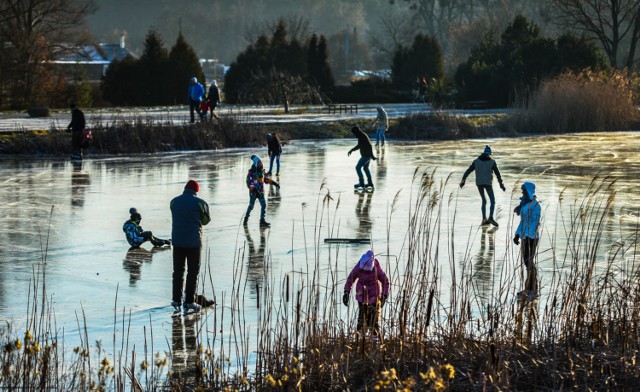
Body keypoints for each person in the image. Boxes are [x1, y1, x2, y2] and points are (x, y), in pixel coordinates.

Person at [170, 180, 211, 314]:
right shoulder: (201, 202)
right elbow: (206, 221)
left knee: (178, 271)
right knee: (193, 272)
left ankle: (176, 300)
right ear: (196, 190)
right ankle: (189, 302)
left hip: (177, 241)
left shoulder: (174, 201)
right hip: (193, 242)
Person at [343, 249, 390, 338]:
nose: (366, 272)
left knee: (373, 320)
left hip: (374, 296)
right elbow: (351, 278)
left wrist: (384, 295)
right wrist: (346, 292)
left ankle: (375, 339)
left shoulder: (377, 268)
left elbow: (385, 281)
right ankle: (360, 338)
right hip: (361, 295)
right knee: (362, 318)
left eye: (368, 270)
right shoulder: (359, 266)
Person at [459, 145, 506, 226]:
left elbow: (468, 171)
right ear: (489, 154)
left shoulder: (476, 161)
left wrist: (463, 181)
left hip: (479, 183)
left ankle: (484, 219)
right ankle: (490, 217)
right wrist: (501, 185)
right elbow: (498, 175)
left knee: (484, 200)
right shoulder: (492, 162)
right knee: (492, 200)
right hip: (488, 183)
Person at [513, 181, 541, 299]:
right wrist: (517, 234)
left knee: (529, 262)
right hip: (525, 236)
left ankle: (533, 289)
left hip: (532, 237)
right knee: (526, 262)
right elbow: (522, 222)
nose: (522, 191)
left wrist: (530, 235)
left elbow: (536, 222)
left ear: (528, 191)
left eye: (524, 190)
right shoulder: (524, 205)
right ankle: (528, 288)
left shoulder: (535, 206)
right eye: (522, 189)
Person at [244, 155, 279, 228]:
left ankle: (262, 221)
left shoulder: (262, 172)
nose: (261, 164)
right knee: (251, 206)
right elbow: (249, 183)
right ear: (256, 163)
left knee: (263, 205)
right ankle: (246, 219)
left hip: (261, 192)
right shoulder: (251, 173)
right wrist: (255, 191)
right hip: (253, 193)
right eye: (259, 162)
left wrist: (274, 183)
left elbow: (266, 180)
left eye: (261, 162)